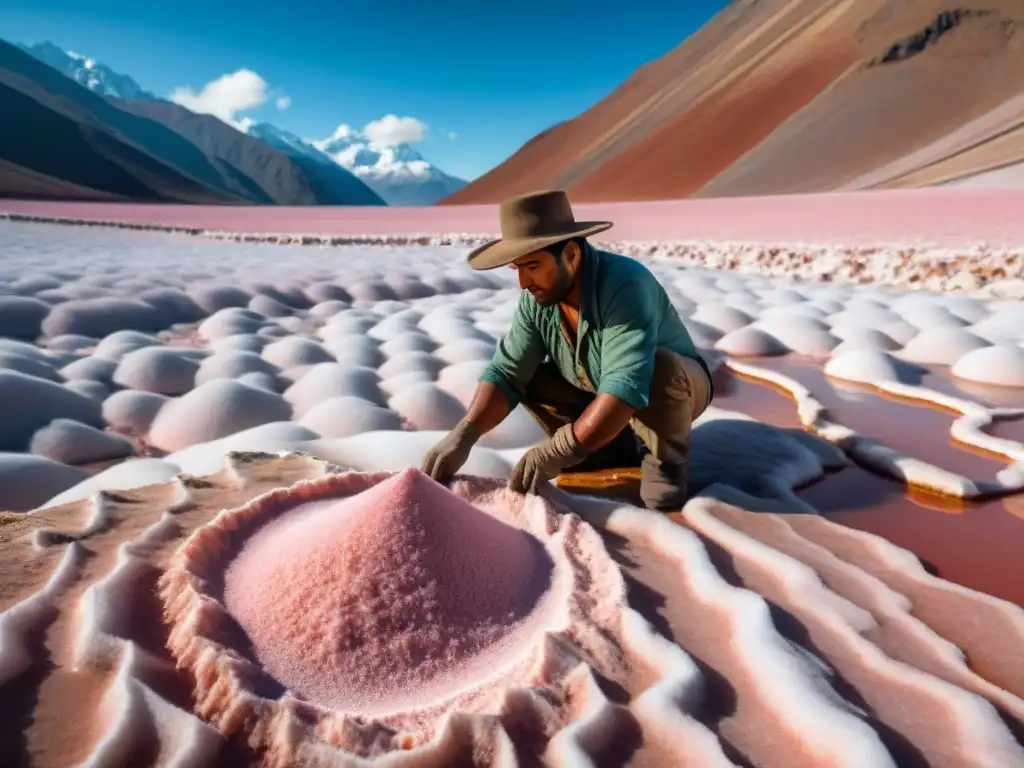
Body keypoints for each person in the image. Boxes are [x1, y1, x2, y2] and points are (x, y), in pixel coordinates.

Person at [420, 189, 714, 510]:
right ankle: (605, 448)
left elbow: (624, 387)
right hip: (598, 388)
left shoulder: (626, 285)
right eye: (517, 268)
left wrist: (558, 450)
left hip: (676, 391)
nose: (523, 282)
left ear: (571, 255)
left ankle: (665, 463)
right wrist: (464, 434)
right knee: (532, 378)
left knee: (660, 369)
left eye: (532, 265)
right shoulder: (539, 298)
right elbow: (507, 372)